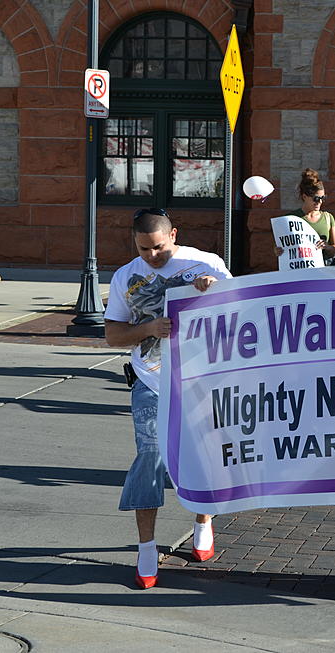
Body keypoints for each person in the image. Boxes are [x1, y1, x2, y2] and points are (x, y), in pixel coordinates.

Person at [104, 208, 232, 589]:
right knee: (149, 457)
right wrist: (148, 328)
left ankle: (203, 521)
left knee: (207, 454)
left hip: (202, 379)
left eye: (158, 248)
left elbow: (242, 311)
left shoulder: (204, 263)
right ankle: (146, 547)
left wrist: (217, 291)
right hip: (151, 379)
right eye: (143, 249)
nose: (152, 256)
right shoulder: (125, 276)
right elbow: (113, 335)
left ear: (173, 234)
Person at [294, 168, 335, 260]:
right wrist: (278, 250)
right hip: (300, 270)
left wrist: (327, 247)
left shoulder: (328, 218)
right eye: (316, 199)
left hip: (322, 270)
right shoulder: (292, 218)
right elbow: (282, 246)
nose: (319, 202)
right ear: (304, 197)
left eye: (322, 198)